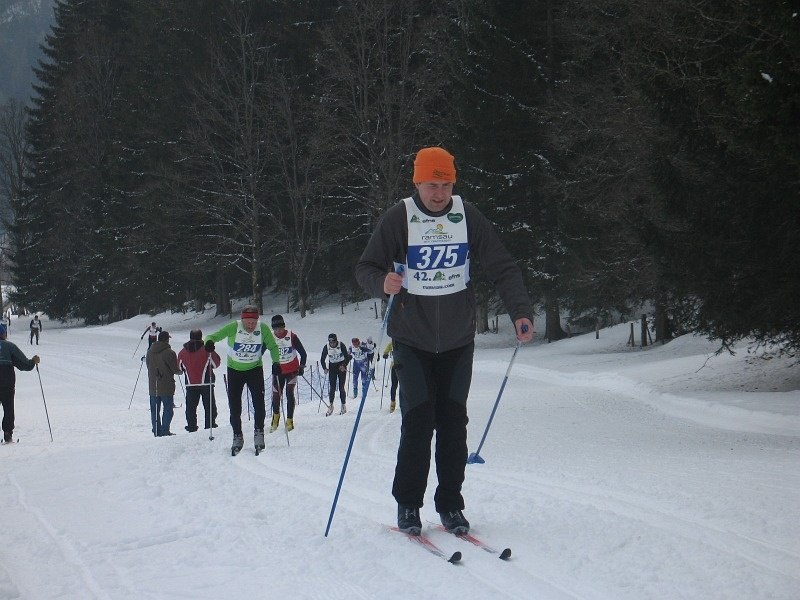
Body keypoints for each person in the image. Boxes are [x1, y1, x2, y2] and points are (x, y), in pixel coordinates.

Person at [355, 146, 534, 536]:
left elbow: (502, 266)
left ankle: (451, 504)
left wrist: (520, 311)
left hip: (457, 340)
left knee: (454, 424)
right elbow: (365, 267)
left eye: (446, 185)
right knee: (418, 422)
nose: (439, 194)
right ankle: (408, 504)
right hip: (411, 340)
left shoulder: (467, 216)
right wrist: (382, 282)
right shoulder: (400, 217)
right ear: (417, 182)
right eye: (431, 185)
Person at [204, 305, 280, 454]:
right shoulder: (234, 327)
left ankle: (259, 433)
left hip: (254, 369)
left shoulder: (263, 328)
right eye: (248, 322)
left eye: (253, 322)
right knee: (234, 407)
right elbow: (212, 336)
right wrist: (209, 343)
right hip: (235, 371)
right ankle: (237, 435)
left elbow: (273, 347)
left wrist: (276, 362)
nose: (251, 325)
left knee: (259, 404)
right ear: (242, 320)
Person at [0, 324, 40, 443]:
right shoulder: (9, 346)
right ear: (4, 334)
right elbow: (24, 364)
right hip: (7, 383)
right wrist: (33, 362)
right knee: (8, 408)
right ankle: (7, 434)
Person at [269, 314, 307, 432]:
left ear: (284, 327)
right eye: (276, 329)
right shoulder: (270, 337)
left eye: (280, 328)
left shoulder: (292, 336)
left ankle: (289, 420)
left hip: (292, 370)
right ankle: (276, 417)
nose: (278, 331)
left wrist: (301, 366)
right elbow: (260, 351)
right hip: (278, 371)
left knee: (289, 393)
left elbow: (303, 353)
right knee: (276, 396)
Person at [177, 329, 222, 432]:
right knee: (209, 406)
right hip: (206, 382)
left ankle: (191, 426)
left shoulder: (183, 352)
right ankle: (210, 425)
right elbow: (216, 364)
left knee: (191, 407)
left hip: (190, 383)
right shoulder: (207, 350)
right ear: (201, 337)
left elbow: (179, 367)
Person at [146, 330, 182, 437]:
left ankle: (156, 430)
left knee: (154, 410)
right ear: (167, 339)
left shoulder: (149, 351)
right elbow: (175, 369)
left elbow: (148, 365)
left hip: (153, 385)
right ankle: (165, 430)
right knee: (168, 409)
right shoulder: (170, 353)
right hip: (166, 385)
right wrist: (181, 371)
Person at [320, 333, 351, 416]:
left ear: (336, 340)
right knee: (332, 387)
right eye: (330, 342)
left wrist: (344, 365)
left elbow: (347, 357)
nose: (332, 343)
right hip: (332, 367)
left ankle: (343, 405)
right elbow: (322, 359)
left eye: (333, 341)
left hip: (341, 366)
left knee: (341, 387)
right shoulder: (326, 347)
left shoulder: (341, 345)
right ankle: (331, 405)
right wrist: (324, 368)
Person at [381, 341, 399, 413]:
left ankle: (405, 403)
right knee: (394, 385)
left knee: (404, 386)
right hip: (394, 367)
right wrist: (385, 354)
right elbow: (386, 350)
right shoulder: (391, 343)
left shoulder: (404, 342)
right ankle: (392, 402)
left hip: (403, 367)